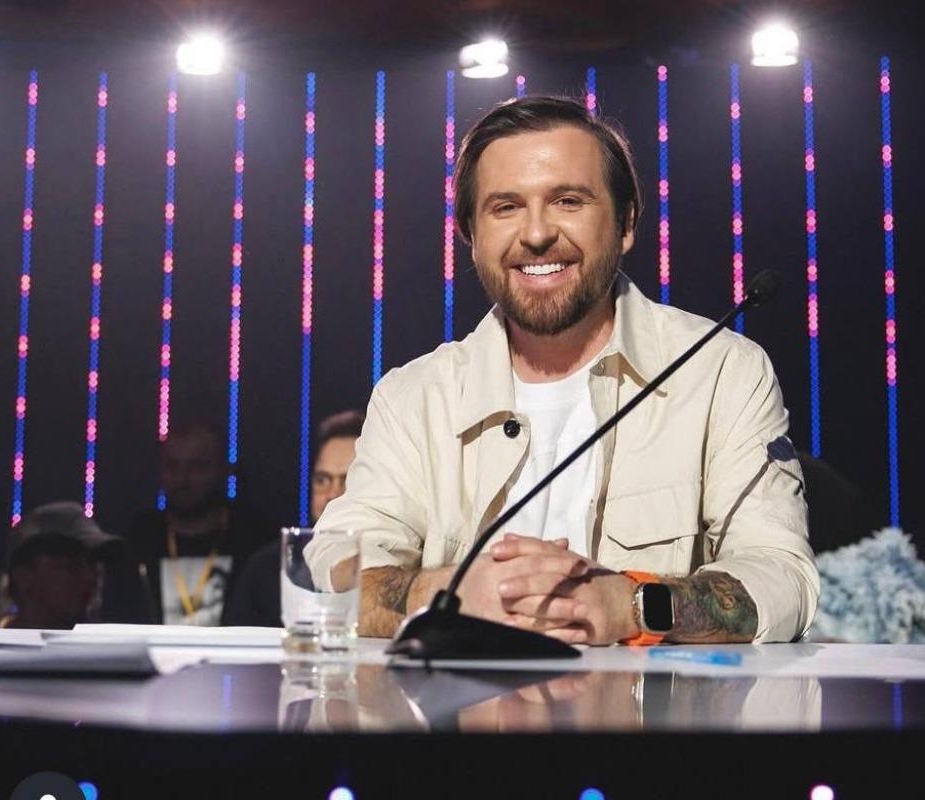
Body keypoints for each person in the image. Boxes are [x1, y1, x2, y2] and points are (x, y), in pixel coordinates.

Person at [309, 96, 818, 645]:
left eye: (568, 201)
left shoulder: (723, 373)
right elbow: (336, 567)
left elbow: (782, 577)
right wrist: (446, 594)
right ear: (471, 236)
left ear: (626, 222)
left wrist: (632, 604)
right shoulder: (412, 396)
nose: (536, 234)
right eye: (505, 207)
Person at [116, 420, 271, 625]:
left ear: (223, 470)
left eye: (196, 467)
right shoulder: (140, 538)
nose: (183, 479)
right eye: (172, 466)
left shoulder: (253, 538)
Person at [222, 409, 366, 626]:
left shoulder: (398, 566)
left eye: (347, 480)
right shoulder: (268, 569)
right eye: (322, 480)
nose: (332, 494)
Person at [0, 501, 125, 629]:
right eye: (71, 566)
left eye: (94, 565)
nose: (90, 578)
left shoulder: (111, 643)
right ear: (23, 576)